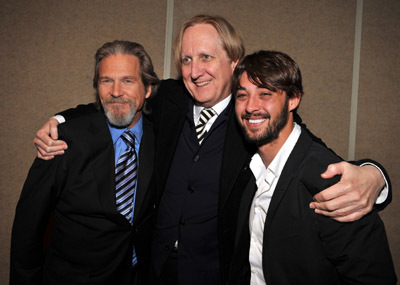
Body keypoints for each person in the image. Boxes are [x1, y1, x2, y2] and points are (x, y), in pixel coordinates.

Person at [31, 16, 391, 285]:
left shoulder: (253, 119)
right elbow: (119, 95)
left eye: (206, 57)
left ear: (235, 63)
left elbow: (307, 151)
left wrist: (374, 174)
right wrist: (59, 118)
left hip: (215, 274)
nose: (195, 70)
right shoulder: (171, 100)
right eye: (186, 60)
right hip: (151, 271)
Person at [228, 50, 396, 284]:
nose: (250, 106)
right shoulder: (251, 166)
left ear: (293, 99)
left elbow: (373, 278)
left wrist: (376, 174)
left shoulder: (329, 180)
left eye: (265, 94)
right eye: (242, 95)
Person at [10, 40, 159, 284]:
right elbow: (29, 224)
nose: (116, 91)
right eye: (106, 80)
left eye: (128, 80)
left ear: (148, 89)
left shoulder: (161, 138)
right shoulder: (64, 140)